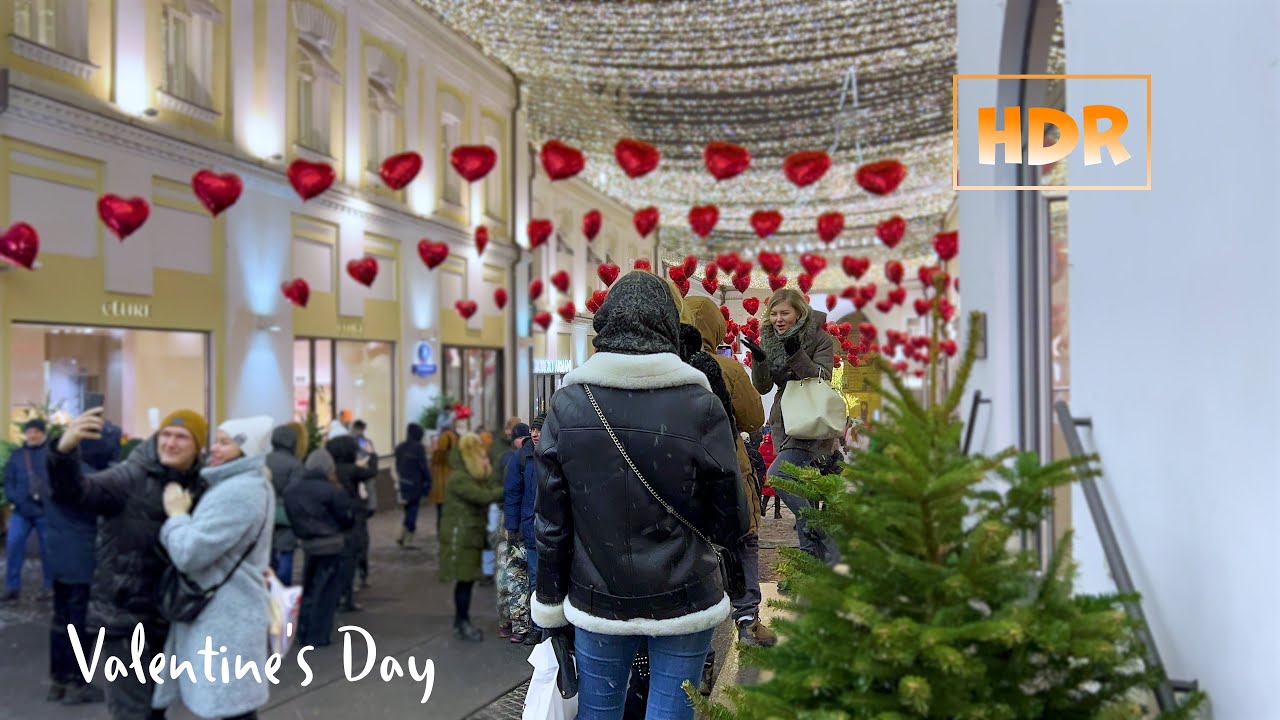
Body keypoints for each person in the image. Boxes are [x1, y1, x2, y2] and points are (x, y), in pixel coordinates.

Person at [531, 271, 750, 720]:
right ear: (670, 326)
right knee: (672, 712)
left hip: (598, 597)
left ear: (606, 326)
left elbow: (551, 524)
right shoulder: (700, 405)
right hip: (685, 594)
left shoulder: (568, 406)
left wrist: (550, 606)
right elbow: (730, 518)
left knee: (599, 711)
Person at [48, 407, 207, 720]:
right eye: (167, 435)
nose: (171, 443)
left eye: (182, 437)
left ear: (197, 446)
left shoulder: (200, 485)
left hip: (169, 617)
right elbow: (76, 493)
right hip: (123, 620)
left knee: (155, 709)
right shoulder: (130, 476)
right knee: (132, 712)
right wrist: (63, 453)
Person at [153, 416, 274, 720]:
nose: (214, 449)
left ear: (246, 450)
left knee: (228, 706)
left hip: (224, 617)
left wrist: (177, 516)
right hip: (231, 612)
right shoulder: (247, 484)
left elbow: (188, 552)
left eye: (225, 442)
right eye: (215, 440)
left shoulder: (236, 491)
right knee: (233, 707)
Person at [682, 294, 775, 647]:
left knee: (694, 548)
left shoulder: (671, 363)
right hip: (727, 464)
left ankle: (699, 650)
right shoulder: (728, 368)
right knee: (743, 539)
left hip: (682, 469)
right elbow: (754, 418)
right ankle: (747, 618)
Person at [741, 288, 839, 563]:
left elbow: (824, 376)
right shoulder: (771, 340)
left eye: (784, 313)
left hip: (811, 421)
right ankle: (815, 562)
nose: (778, 319)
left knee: (779, 475)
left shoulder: (819, 338)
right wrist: (759, 361)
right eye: (773, 313)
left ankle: (827, 541)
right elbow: (762, 387)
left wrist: (797, 355)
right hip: (785, 422)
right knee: (801, 490)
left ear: (799, 313)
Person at [44, 420, 119, 705]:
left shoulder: (59, 471)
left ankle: (59, 681)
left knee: (60, 620)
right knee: (82, 625)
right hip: (84, 561)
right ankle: (79, 681)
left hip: (59, 558)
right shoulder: (93, 479)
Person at [285, 448, 355, 647]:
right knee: (327, 592)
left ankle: (304, 630)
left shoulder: (293, 490)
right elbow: (346, 518)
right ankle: (318, 634)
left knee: (310, 588)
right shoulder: (333, 491)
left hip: (308, 544)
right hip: (332, 544)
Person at [438, 432, 502, 641]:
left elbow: (488, 485)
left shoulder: (469, 475)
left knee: (466, 582)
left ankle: (461, 621)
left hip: (469, 535)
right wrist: (506, 489)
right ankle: (462, 622)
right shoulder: (459, 478)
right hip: (461, 537)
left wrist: (487, 468)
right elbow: (483, 496)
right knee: (464, 581)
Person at [326, 432, 376, 612]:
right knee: (351, 554)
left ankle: (336, 594)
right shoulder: (352, 469)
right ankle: (347, 596)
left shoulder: (331, 469)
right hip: (353, 515)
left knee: (337, 557)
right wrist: (372, 455)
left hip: (333, 516)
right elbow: (372, 472)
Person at [4, 417, 52, 602]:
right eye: (30, 431)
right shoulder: (17, 455)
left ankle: (49, 587)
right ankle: (12, 587)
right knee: (14, 545)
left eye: (37, 431)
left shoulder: (50, 454)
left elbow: (59, 479)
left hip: (44, 511)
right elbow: (9, 480)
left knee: (49, 550)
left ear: (43, 433)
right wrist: (14, 498)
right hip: (21, 511)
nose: (33, 435)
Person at [500, 422, 535, 644]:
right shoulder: (520, 458)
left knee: (525, 578)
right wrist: (512, 527)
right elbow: (512, 493)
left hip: (538, 527)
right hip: (526, 529)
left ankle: (526, 625)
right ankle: (526, 625)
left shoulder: (550, 453)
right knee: (523, 578)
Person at [266, 424, 306, 585]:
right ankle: (282, 589)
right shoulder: (295, 464)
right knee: (286, 554)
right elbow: (295, 492)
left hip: (265, 513)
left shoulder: (264, 459)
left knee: (267, 554)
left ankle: (268, 587)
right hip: (287, 515)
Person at [349, 420, 378, 589]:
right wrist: (372, 503)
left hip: (352, 501)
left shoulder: (348, 445)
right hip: (361, 500)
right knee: (361, 539)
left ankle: (356, 575)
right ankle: (362, 573)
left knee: (354, 540)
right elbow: (371, 477)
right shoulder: (367, 445)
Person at [393, 423, 431, 548]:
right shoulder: (418, 448)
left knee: (407, 509)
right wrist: (428, 481)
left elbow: (397, 465)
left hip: (403, 482)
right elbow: (423, 467)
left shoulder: (400, 447)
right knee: (413, 510)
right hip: (415, 483)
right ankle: (408, 538)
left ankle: (402, 536)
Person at [428, 424, 457, 528]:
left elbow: (432, 470)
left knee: (440, 514)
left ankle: (441, 534)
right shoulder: (455, 455)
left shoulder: (436, 455)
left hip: (439, 491)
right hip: (452, 491)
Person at [757, 433, 782, 519]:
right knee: (777, 493)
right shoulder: (776, 447)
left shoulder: (762, 447)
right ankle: (777, 512)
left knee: (767, 492)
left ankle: (763, 508)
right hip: (774, 473)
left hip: (766, 473)